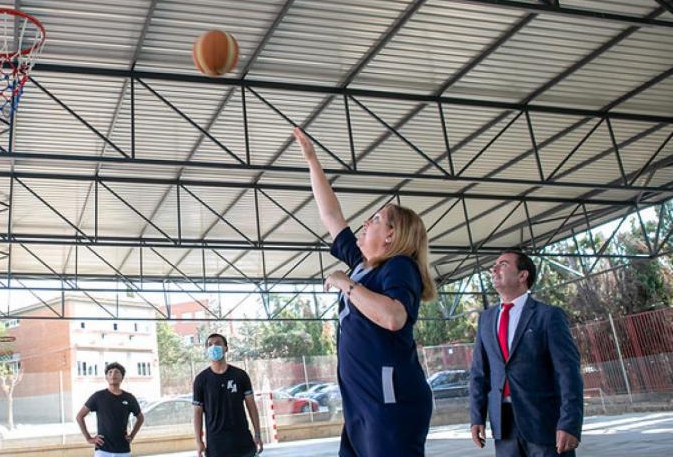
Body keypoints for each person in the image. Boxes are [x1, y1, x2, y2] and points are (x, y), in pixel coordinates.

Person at [293, 127, 437, 456]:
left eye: (375, 219)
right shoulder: (363, 264)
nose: (364, 224)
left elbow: (393, 316)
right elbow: (331, 215)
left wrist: (347, 284)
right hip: (362, 403)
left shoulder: (399, 266)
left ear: (391, 235)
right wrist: (312, 160)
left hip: (390, 401)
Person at [469, 251, 584, 456]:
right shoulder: (485, 319)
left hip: (544, 423)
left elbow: (568, 372)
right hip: (504, 427)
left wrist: (570, 422)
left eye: (503, 264)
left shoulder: (548, 316)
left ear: (522, 276)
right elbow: (479, 373)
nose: (494, 269)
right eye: (494, 266)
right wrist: (476, 417)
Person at [192, 333, 264, 457]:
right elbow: (197, 413)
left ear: (226, 348)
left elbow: (251, 406)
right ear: (206, 350)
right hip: (216, 446)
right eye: (210, 344)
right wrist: (199, 441)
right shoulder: (201, 380)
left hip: (243, 444)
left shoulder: (240, 375)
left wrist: (257, 434)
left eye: (218, 343)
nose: (214, 346)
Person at [76, 362, 144, 457]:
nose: (113, 374)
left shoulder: (129, 398)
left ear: (122, 377)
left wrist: (132, 436)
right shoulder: (98, 396)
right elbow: (79, 416)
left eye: (117, 372)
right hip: (102, 449)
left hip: (123, 449)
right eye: (110, 372)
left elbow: (140, 418)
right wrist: (89, 438)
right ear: (106, 377)